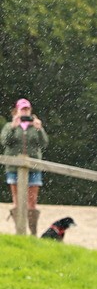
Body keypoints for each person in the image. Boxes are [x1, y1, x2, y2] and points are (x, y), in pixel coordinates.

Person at [2, 98, 49, 235]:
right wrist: (13, 127)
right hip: (14, 167)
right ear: (17, 111)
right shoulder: (9, 126)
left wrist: (39, 129)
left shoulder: (35, 126)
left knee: (32, 201)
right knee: (17, 200)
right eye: (22, 109)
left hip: (33, 167)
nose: (25, 112)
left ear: (30, 111)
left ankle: (33, 232)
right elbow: (5, 142)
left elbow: (44, 143)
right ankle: (19, 231)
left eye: (27, 109)